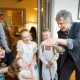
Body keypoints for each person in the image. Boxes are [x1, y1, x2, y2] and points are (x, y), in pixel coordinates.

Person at [41, 10, 80, 80]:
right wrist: (53, 45)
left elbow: (76, 43)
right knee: (62, 77)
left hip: (79, 58)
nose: (59, 26)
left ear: (69, 21)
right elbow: (62, 50)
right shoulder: (60, 32)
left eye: (61, 23)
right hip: (69, 59)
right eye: (58, 24)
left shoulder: (78, 26)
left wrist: (55, 40)